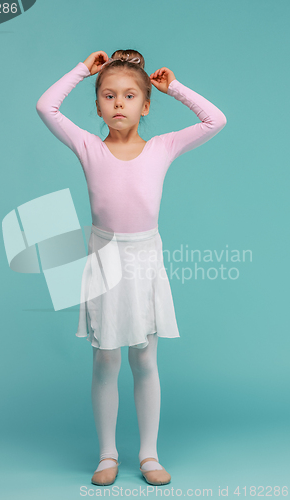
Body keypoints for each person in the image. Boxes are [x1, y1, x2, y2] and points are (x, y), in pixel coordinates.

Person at [36, 49, 227, 486]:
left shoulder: (162, 147)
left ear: (144, 104)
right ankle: (107, 455)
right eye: (108, 95)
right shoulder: (87, 145)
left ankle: (148, 455)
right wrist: (83, 70)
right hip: (104, 259)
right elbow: (46, 106)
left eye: (128, 96)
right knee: (105, 360)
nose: (118, 103)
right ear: (99, 104)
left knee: (144, 359)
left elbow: (215, 120)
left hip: (145, 260)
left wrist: (173, 86)